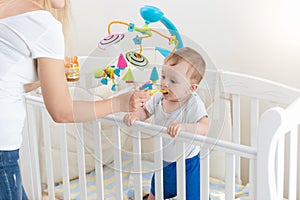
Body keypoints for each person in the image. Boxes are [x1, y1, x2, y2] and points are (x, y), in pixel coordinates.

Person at [0, 0, 150, 199]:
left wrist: (50, 76)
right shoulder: (43, 24)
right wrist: (119, 103)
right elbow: (62, 112)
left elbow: (11, 79)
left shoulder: (7, 11)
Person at [123, 47, 209, 200]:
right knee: (156, 193)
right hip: (163, 162)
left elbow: (204, 127)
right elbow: (145, 112)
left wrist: (184, 128)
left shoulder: (193, 103)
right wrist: (136, 115)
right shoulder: (158, 98)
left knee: (194, 195)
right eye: (163, 76)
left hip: (188, 164)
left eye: (173, 81)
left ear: (191, 88)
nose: (164, 84)